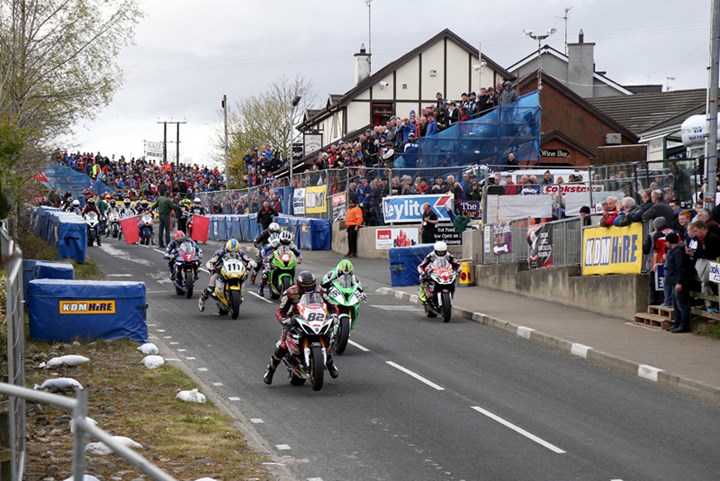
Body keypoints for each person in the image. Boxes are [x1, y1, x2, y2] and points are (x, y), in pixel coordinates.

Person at [262, 271, 339, 385]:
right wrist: (284, 320)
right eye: (305, 287)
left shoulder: (320, 291)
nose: (308, 290)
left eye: (310, 287)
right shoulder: (290, 292)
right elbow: (280, 311)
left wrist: (334, 315)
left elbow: (332, 305)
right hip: (294, 320)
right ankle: (270, 370)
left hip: (315, 318)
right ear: (299, 285)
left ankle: (330, 364)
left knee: (328, 336)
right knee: (283, 344)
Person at [198, 239, 255, 312]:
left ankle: (240, 294)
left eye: (235, 252)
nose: (233, 253)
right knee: (211, 286)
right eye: (230, 251)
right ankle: (202, 299)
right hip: (221, 270)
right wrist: (211, 268)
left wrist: (250, 265)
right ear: (226, 248)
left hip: (236, 270)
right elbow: (211, 261)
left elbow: (249, 260)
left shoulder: (241, 252)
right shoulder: (220, 252)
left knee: (245, 276)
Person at [258, 230, 302, 297]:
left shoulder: (291, 244)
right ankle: (261, 287)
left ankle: (293, 285)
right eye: (283, 242)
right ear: (280, 239)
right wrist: (265, 257)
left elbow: (298, 253)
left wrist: (299, 258)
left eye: (287, 242)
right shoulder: (275, 242)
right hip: (273, 256)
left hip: (286, 258)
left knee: (293, 268)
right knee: (266, 273)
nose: (285, 243)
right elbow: (264, 250)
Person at [664, 232, 693, 333]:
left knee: (682, 304)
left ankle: (684, 324)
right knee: (676, 305)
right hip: (673, 280)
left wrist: (679, 282)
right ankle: (677, 323)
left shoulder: (678, 252)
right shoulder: (673, 251)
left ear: (669, 242)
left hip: (678, 281)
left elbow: (681, 268)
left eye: (666, 241)